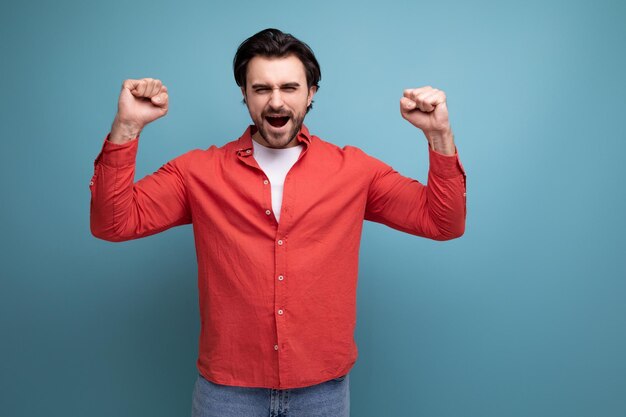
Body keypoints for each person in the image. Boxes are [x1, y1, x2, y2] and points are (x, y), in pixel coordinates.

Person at [90, 28, 466, 417]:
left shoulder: (354, 171)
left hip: (322, 389)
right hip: (228, 391)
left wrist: (439, 135)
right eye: (261, 88)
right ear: (244, 93)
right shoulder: (197, 172)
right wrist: (128, 127)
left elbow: (443, 222)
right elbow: (113, 223)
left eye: (289, 87)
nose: (276, 101)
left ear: (311, 93)